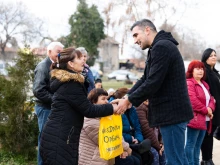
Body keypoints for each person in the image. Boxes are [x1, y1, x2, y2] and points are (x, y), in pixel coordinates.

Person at [111, 19, 193, 165]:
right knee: (177, 159)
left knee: (175, 161)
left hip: (172, 114)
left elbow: (153, 82)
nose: (135, 40)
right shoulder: (158, 47)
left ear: (147, 30)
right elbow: (145, 79)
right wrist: (126, 97)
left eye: (136, 35)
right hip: (172, 114)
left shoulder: (162, 47)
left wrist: (128, 101)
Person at [39, 47, 121, 165]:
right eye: (79, 57)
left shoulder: (68, 82)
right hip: (60, 139)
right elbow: (88, 110)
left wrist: (109, 105)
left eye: (83, 57)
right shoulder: (71, 84)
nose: (83, 59)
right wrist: (112, 108)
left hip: (61, 137)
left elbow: (84, 104)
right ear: (71, 63)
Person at [79, 88, 140, 165]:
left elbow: (116, 134)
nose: (107, 101)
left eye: (107, 99)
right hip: (92, 160)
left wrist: (123, 150)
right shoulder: (90, 121)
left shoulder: (104, 117)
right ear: (94, 102)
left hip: (106, 155)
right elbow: (110, 140)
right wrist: (126, 149)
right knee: (131, 161)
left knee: (136, 159)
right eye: (103, 99)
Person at [33, 41, 64, 165]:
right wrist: (56, 100)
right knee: (45, 139)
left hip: (52, 107)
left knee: (52, 140)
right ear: (49, 51)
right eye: (58, 52)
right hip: (45, 108)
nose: (60, 55)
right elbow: (38, 90)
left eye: (62, 52)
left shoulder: (57, 65)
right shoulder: (43, 66)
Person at [109, 88, 153, 165]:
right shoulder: (114, 111)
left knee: (149, 156)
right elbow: (116, 132)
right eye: (128, 100)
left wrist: (138, 139)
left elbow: (137, 128)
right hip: (123, 143)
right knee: (135, 160)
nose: (130, 102)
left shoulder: (132, 109)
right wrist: (130, 139)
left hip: (133, 142)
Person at [185, 60, 215, 165]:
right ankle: (190, 163)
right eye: (197, 69)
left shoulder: (204, 84)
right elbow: (193, 101)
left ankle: (195, 163)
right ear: (191, 71)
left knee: (198, 145)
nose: (200, 71)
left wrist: (210, 108)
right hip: (195, 119)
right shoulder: (189, 83)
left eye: (202, 69)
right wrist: (207, 110)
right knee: (190, 144)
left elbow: (211, 99)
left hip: (205, 120)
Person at [201, 48, 220, 165]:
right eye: (210, 55)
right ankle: (206, 159)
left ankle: (208, 158)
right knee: (207, 135)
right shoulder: (205, 72)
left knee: (210, 134)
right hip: (209, 108)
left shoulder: (215, 72)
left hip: (217, 107)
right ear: (205, 57)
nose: (213, 57)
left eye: (215, 55)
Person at [136, 100, 166, 165]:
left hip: (155, 141)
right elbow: (146, 130)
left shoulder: (154, 106)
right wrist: (158, 146)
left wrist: (162, 142)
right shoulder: (140, 108)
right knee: (154, 154)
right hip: (145, 141)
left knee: (164, 151)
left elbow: (161, 126)